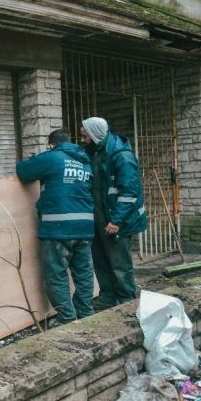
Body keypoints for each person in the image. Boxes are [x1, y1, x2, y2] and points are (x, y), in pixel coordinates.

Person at [16, 128, 96, 323]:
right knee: (84, 274)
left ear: (51, 144)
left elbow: (23, 171)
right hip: (85, 227)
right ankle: (86, 313)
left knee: (56, 275)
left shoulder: (52, 157)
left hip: (59, 228)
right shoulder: (84, 160)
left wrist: (35, 158)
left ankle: (67, 318)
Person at [80, 117, 148, 310]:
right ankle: (108, 296)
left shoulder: (122, 156)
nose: (82, 140)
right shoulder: (93, 151)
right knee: (101, 260)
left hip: (116, 220)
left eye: (85, 136)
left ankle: (126, 300)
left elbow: (129, 192)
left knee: (119, 263)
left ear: (95, 135)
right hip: (98, 217)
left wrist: (116, 220)